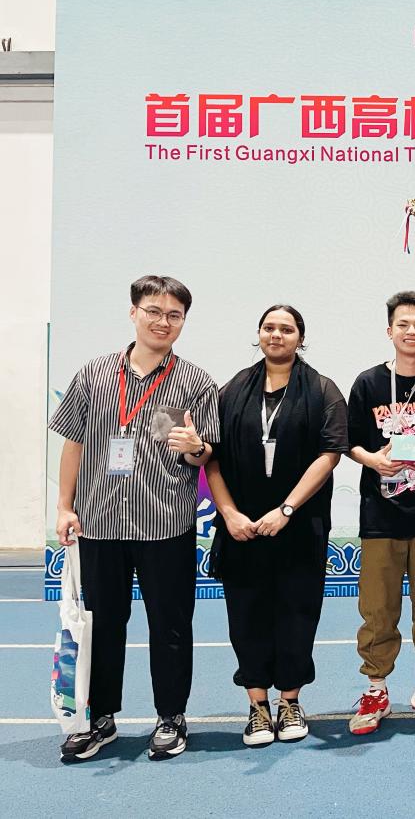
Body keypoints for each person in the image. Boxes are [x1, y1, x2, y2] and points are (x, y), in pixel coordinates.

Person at [51, 275, 219, 762]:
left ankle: (171, 717)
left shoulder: (197, 382)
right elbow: (73, 443)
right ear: (133, 312)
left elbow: (205, 455)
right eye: (153, 311)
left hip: (165, 525)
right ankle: (100, 718)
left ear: (183, 321)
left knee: (171, 625)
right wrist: (64, 505)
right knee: (103, 624)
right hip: (99, 523)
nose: (162, 322)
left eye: (174, 315)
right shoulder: (94, 374)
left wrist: (196, 447)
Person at [205, 304, 349, 747]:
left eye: (286, 329)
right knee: (246, 616)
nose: (276, 335)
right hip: (243, 529)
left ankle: (289, 701)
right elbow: (212, 457)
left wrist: (286, 510)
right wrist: (229, 514)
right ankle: (257, 707)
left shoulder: (322, 389)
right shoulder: (232, 390)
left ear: (300, 338)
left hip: (299, 527)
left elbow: (329, 455)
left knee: (297, 615)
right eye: (269, 327)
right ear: (259, 334)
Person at [346, 290, 415, 735]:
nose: (412, 331)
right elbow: (348, 440)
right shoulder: (368, 382)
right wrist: (372, 460)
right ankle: (376, 687)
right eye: (403, 324)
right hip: (380, 515)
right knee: (378, 609)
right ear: (389, 330)